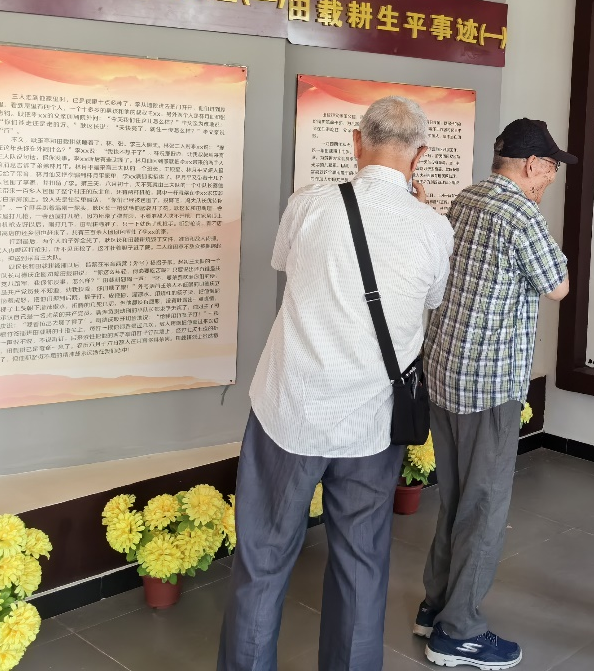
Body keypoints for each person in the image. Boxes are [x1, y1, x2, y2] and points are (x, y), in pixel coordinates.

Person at [218, 97, 453, 671]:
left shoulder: (309, 204)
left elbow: (284, 262)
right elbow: (431, 299)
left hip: (291, 410)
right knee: (361, 563)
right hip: (372, 422)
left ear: (356, 141)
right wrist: (419, 214)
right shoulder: (434, 228)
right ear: (420, 155)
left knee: (263, 560)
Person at [415, 118, 573, 670]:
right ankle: (458, 631)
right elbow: (558, 285)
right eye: (551, 169)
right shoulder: (520, 212)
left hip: (445, 373)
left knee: (456, 498)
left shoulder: (465, 198)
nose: (551, 178)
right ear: (532, 165)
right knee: (483, 508)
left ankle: (435, 605)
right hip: (488, 385)